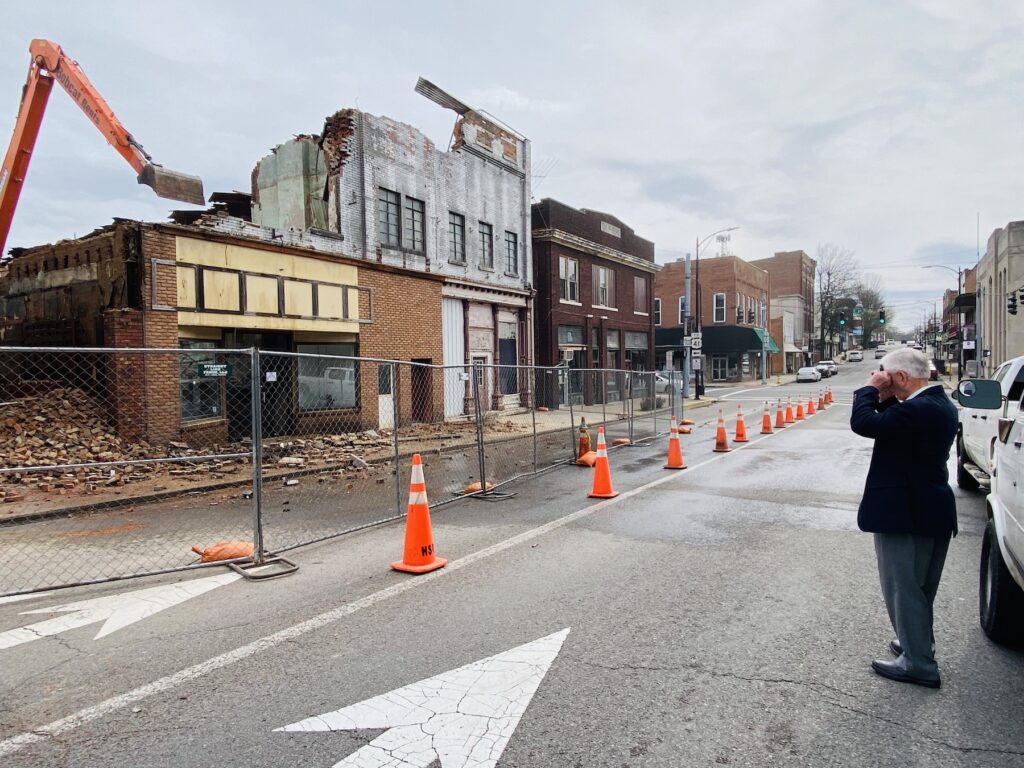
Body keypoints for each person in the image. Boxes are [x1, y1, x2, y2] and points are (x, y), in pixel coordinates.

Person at [849, 347, 958, 689]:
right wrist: (884, 395)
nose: (880, 377)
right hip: (929, 508)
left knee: (903, 588)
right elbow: (892, 422)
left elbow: (864, 423)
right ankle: (917, 643)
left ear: (901, 377)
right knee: (919, 588)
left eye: (885, 373)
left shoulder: (919, 410)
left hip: (906, 512)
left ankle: (917, 662)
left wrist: (868, 389)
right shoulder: (937, 403)